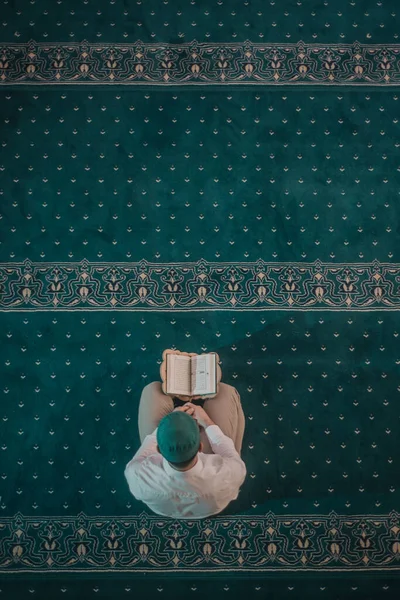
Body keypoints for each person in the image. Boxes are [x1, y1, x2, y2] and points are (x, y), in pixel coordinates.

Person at [124, 381, 246, 519]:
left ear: (158, 449)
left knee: (152, 389)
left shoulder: (137, 475)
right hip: (211, 505)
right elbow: (231, 455)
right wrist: (206, 420)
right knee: (224, 391)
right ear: (201, 446)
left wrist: (171, 420)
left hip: (165, 508)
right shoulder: (227, 475)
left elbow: (141, 455)